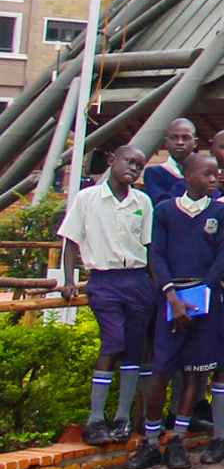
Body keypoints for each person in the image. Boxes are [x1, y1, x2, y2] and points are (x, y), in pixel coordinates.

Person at [130, 151, 224, 469]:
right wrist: (173, 298)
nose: (214, 179)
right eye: (207, 174)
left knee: (195, 373)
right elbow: (157, 256)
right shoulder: (164, 211)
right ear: (188, 177)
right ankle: (150, 443)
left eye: (216, 174)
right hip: (170, 298)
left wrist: (200, 294)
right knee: (161, 371)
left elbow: (221, 258)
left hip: (203, 298)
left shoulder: (221, 212)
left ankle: (177, 439)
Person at [59, 145, 156, 447]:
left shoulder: (142, 201)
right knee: (112, 343)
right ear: (113, 160)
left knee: (133, 350)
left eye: (139, 166)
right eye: (129, 161)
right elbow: (71, 240)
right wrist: (68, 281)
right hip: (104, 281)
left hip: (137, 281)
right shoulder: (87, 199)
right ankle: (95, 419)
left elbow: (149, 247)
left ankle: (122, 418)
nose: (133, 169)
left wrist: (155, 286)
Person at [140, 119, 197, 205]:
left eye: (186, 138)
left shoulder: (208, 171)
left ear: (195, 142)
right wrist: (188, 178)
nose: (179, 142)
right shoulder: (154, 173)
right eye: (173, 138)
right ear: (166, 142)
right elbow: (160, 205)